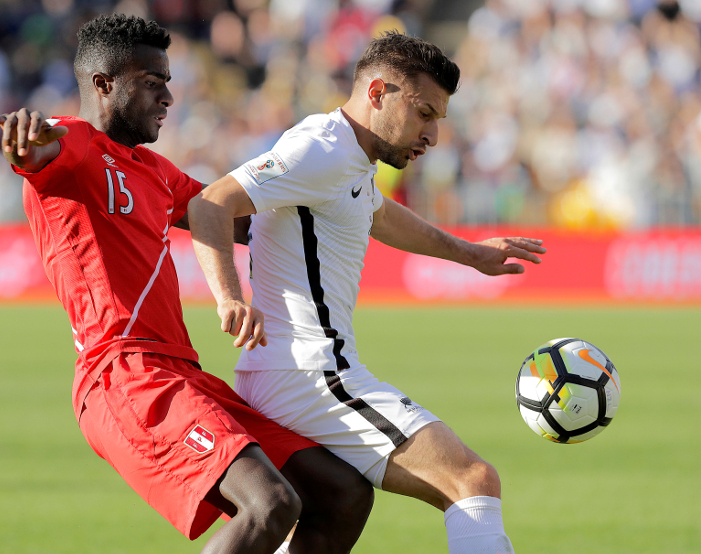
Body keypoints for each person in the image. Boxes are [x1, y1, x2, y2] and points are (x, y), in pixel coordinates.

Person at [0, 13, 373, 554]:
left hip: (180, 372)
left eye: (168, 82)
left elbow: (240, 216)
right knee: (268, 505)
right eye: (153, 83)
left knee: (342, 493)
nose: (169, 97)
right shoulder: (75, 143)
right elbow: (40, 150)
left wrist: (339, 189)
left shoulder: (154, 170)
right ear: (103, 84)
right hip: (124, 374)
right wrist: (25, 141)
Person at [189, 31, 548, 554]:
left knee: (341, 503)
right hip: (308, 374)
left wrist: (470, 254)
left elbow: (377, 213)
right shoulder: (320, 150)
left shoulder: (347, 157)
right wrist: (229, 296)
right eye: (424, 113)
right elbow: (211, 202)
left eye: (438, 120)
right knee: (471, 481)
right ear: (378, 93)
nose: (432, 135)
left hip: (294, 373)